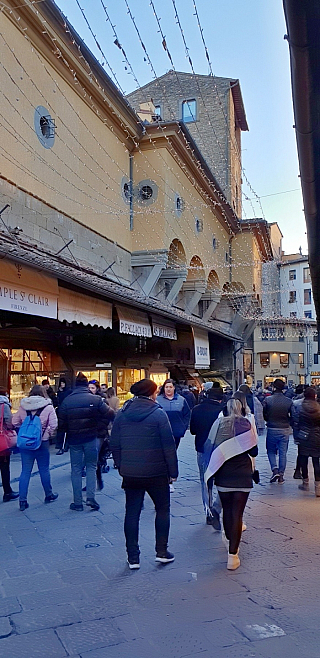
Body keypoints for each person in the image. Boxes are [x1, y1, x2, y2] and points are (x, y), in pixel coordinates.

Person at [110, 378, 178, 569]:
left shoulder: (122, 414)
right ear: (152, 393)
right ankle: (161, 551)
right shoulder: (158, 414)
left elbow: (114, 444)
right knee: (162, 509)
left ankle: (133, 557)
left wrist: (122, 466)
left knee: (132, 512)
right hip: (156, 473)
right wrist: (173, 471)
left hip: (131, 473)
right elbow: (168, 446)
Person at [205, 398, 258, 570]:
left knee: (227, 511)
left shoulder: (218, 424)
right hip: (242, 474)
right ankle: (233, 555)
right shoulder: (246, 424)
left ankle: (229, 543)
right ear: (241, 409)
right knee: (238, 514)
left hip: (224, 473)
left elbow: (209, 446)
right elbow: (254, 451)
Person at [58, 372, 111, 511]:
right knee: (91, 467)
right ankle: (91, 498)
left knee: (75, 469)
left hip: (75, 439)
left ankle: (77, 502)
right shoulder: (95, 399)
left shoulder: (67, 401)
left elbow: (61, 425)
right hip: (91, 437)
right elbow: (110, 414)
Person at [13, 385, 58, 510]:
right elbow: (54, 425)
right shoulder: (48, 407)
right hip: (42, 443)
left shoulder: (23, 406)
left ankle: (22, 500)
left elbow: (14, 422)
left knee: (25, 471)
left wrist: (25, 429)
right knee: (44, 469)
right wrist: (46, 434)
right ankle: (49, 494)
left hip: (25, 443)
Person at [190, 386, 224, 529]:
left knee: (206, 481)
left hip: (202, 448)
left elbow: (192, 430)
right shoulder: (223, 410)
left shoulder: (197, 409)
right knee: (223, 481)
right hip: (220, 449)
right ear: (221, 398)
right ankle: (217, 507)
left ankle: (208, 511)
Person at [263, 378, 293, 484]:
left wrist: (268, 420)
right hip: (284, 428)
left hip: (272, 427)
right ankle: (281, 475)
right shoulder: (289, 401)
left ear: (273, 387)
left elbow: (264, 414)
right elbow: (292, 416)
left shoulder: (268, 400)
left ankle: (274, 469)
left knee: (271, 451)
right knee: (283, 453)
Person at [293, 387, 320, 495]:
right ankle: (318, 487)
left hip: (303, 435)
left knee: (303, 459)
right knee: (316, 461)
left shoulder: (299, 407)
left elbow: (296, 422)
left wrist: (296, 436)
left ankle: (305, 483)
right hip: (317, 436)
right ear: (314, 396)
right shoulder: (319, 408)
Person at [156, 379, 190, 449]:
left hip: (176, 432)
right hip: (162, 432)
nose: (168, 389)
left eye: (170, 387)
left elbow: (187, 414)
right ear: (164, 388)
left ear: (174, 388)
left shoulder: (181, 400)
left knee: (174, 450)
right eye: (166, 387)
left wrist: (183, 427)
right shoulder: (157, 400)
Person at [0, 387, 19, 503]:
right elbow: (10, 423)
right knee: (4, 467)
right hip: (2, 441)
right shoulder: (4, 406)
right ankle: (7, 492)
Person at [55, 378, 72, 455]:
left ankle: (65, 445)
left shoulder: (68, 392)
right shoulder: (59, 392)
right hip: (61, 412)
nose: (62, 385)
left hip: (66, 412)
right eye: (61, 383)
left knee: (66, 430)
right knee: (62, 430)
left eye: (63, 383)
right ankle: (62, 446)